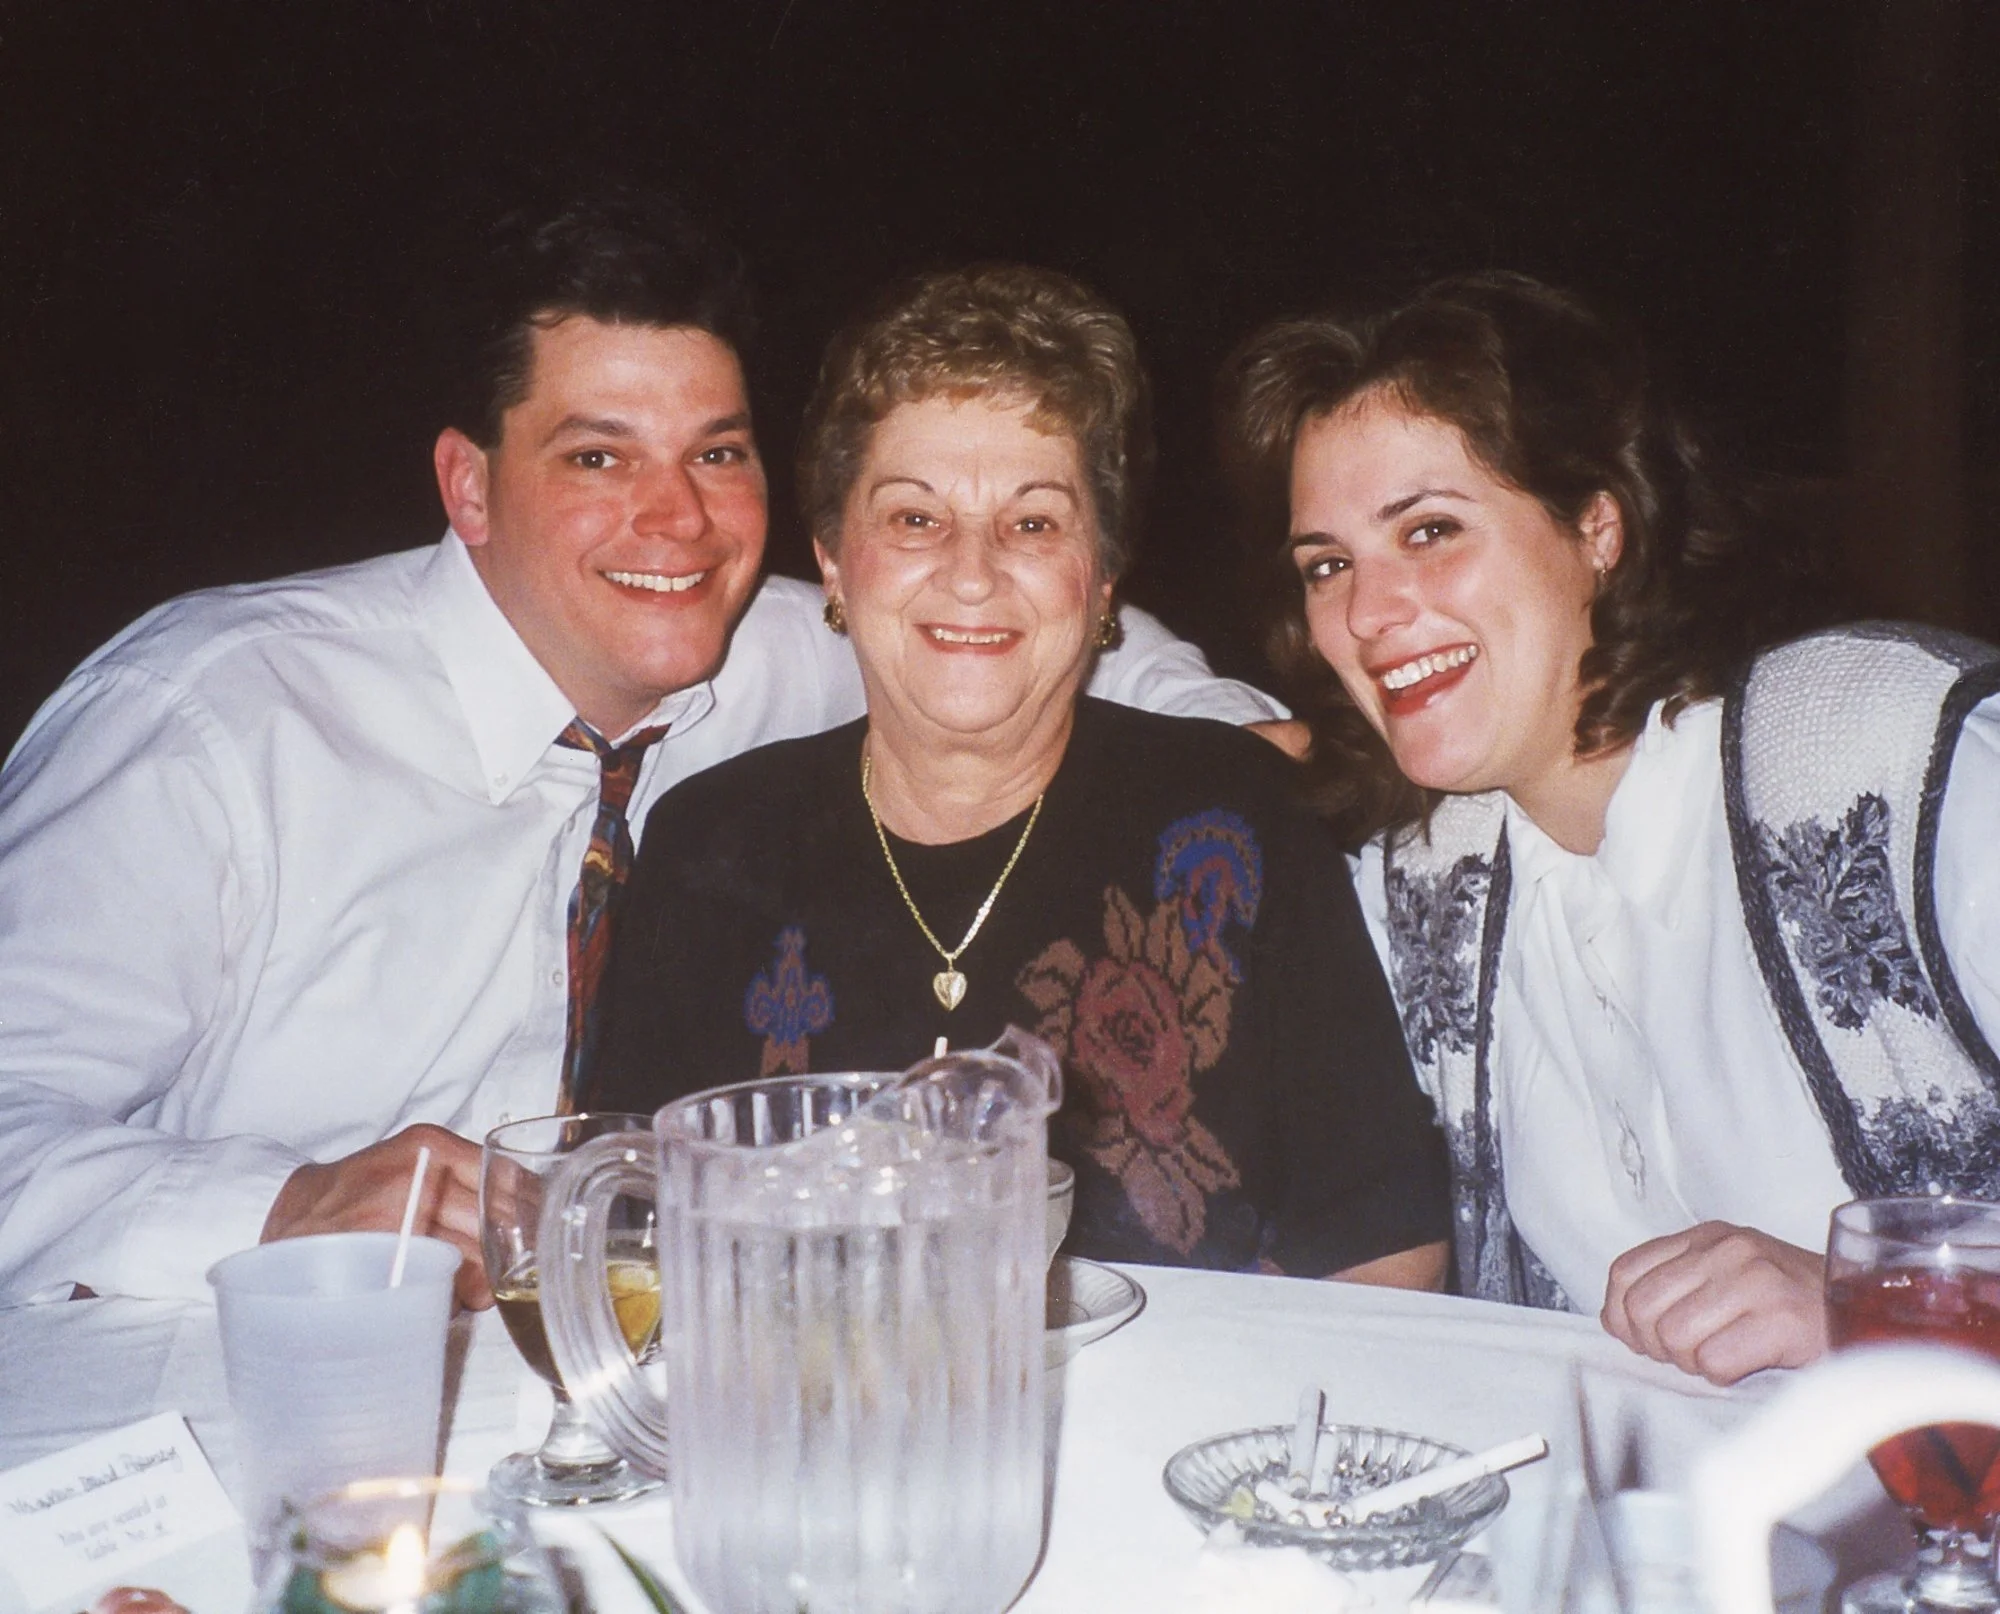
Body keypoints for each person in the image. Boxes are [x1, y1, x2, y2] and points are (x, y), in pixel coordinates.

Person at [0, 196, 1289, 1308]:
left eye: (715, 453)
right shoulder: (216, 722)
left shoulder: (778, 643)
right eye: (597, 454)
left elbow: (1055, 636)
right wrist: (281, 1207)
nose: (675, 519)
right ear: (468, 486)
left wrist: (1263, 747)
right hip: (232, 1383)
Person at [591, 266, 1452, 1283]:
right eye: (913, 519)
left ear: (1102, 574)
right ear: (831, 557)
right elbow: (623, 1234)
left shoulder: (1238, 812)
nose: (970, 570)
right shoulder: (709, 840)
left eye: (1033, 523)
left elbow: (1385, 1249)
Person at [1223, 271, 2000, 1382]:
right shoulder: (1426, 888)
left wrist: (1882, 1307)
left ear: (1597, 526)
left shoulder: (1882, 758)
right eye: (1327, 565)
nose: (1364, 613)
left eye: (1430, 530)